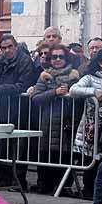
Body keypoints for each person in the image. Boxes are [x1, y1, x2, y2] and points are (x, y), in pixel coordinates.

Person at [29, 44, 80, 193]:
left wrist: (71, 93)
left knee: (65, 154)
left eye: (61, 57)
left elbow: (81, 97)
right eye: (54, 57)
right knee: (45, 153)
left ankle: (65, 186)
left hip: (68, 121)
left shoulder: (74, 76)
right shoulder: (45, 76)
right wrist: (54, 92)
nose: (57, 59)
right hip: (48, 121)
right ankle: (44, 184)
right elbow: (36, 98)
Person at [0, 34, 39, 124]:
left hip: (19, 111)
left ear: (16, 47)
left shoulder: (25, 61)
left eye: (10, 47)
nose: (7, 50)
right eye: (4, 48)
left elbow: (23, 85)